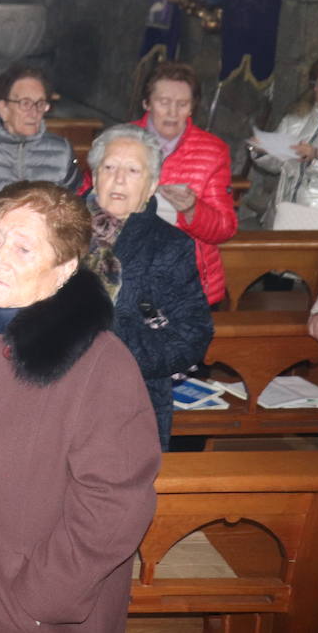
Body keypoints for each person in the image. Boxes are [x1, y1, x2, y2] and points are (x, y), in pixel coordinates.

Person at [0, 182, 160, 632]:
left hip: (30, 609)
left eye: (23, 248)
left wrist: (44, 595)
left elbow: (116, 505)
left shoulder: (99, 363)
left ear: (64, 268)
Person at [82, 124, 213, 448]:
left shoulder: (169, 245)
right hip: (51, 387)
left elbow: (192, 334)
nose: (119, 179)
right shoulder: (58, 228)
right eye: (109, 167)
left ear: (152, 184)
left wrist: (118, 349)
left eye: (133, 170)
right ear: (95, 176)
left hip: (128, 399)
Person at [118, 61, 236, 305]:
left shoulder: (213, 152)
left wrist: (192, 210)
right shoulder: (118, 141)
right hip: (128, 276)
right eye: (163, 102)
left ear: (192, 107)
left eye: (182, 104)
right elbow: (89, 206)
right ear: (147, 103)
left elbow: (225, 228)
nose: (172, 112)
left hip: (188, 284)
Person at [0, 62, 81, 207]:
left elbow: (73, 206)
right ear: (3, 109)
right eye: (25, 103)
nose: (34, 112)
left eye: (40, 103)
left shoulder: (61, 151)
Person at [252, 53, 318, 229]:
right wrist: (262, 150)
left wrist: (316, 157)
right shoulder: (296, 119)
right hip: (283, 210)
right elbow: (279, 164)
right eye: (317, 86)